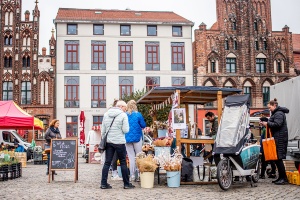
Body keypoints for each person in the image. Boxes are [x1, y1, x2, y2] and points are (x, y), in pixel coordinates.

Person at [100, 100, 135, 189]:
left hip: (109, 142)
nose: (125, 110)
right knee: (123, 162)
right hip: (120, 142)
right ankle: (126, 184)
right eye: (125, 108)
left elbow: (103, 130)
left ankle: (103, 183)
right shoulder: (123, 115)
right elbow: (126, 130)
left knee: (107, 162)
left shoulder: (106, 114)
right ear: (121, 107)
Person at [260, 98, 289, 185]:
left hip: (279, 138)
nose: (269, 109)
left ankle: (283, 178)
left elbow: (277, 124)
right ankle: (280, 177)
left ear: (274, 105)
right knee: (277, 159)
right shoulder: (276, 113)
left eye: (270, 107)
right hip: (278, 137)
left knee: (278, 158)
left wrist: (267, 123)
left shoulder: (279, 113)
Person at [125, 100, 146, 181]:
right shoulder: (138, 114)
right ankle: (140, 174)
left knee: (131, 157)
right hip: (137, 138)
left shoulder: (125, 115)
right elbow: (143, 125)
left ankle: (132, 175)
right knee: (139, 156)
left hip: (127, 138)